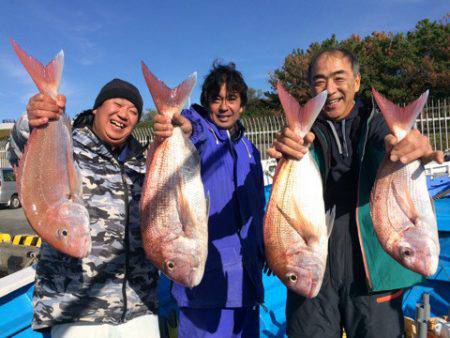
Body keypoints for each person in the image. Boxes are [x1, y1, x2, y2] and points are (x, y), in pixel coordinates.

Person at [267, 48, 444, 338]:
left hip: (372, 257)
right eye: (320, 81)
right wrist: (290, 148)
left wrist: (400, 143)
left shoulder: (375, 121)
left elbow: (383, 137)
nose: (330, 89)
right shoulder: (305, 130)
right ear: (311, 87)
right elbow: (300, 148)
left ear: (358, 81)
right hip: (315, 258)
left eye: (339, 78)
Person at [8, 79, 160, 337]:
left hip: (139, 307)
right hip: (75, 309)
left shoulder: (144, 163)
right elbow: (17, 154)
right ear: (96, 110)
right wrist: (30, 121)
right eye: (118, 104)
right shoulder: (68, 142)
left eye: (134, 111)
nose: (124, 114)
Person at [153, 62, 266, 337]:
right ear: (207, 104)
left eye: (231, 99)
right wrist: (184, 128)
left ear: (242, 105)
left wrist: (265, 251)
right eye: (216, 99)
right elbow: (193, 130)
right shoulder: (201, 134)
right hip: (204, 286)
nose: (224, 107)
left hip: (247, 284)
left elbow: (258, 209)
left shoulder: (250, 149)